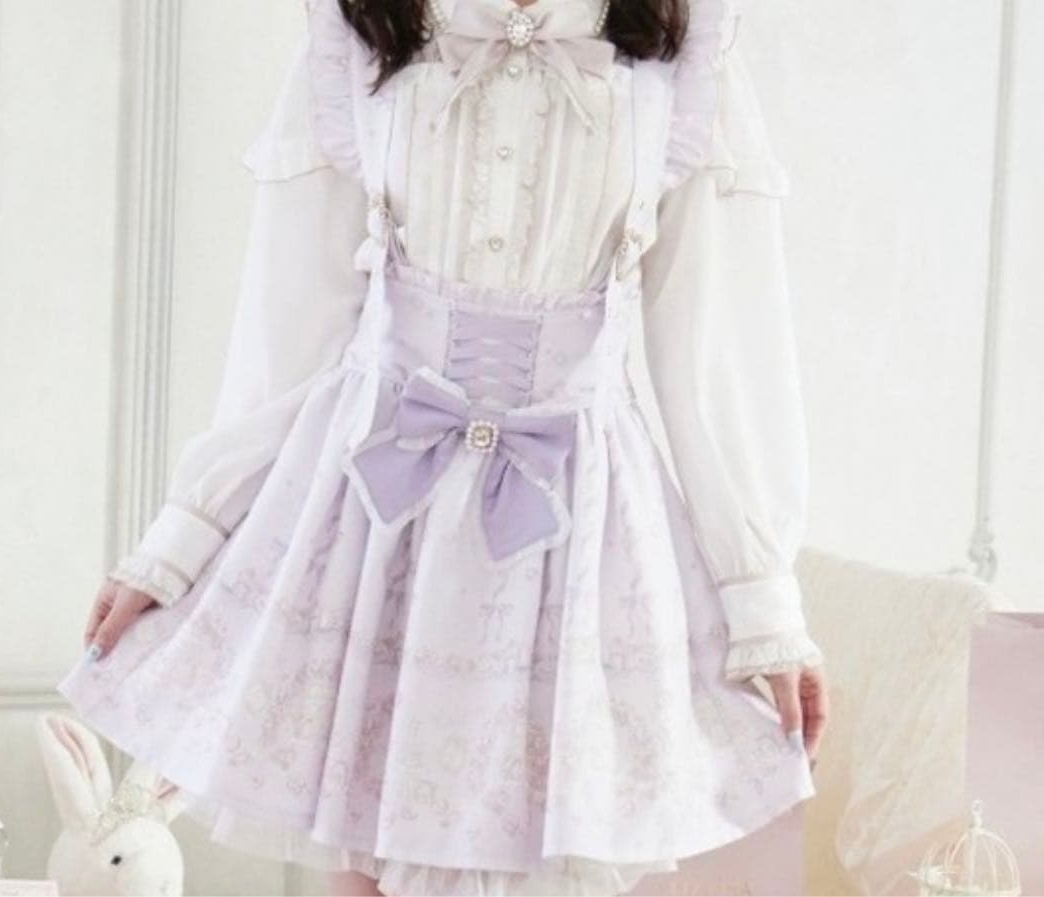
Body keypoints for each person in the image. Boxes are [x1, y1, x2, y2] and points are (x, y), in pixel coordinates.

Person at [57, 0, 829, 894]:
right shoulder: (362, 35)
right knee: (365, 857)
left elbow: (713, 356)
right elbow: (290, 328)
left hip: (573, 530)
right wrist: (182, 539)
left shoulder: (683, 63)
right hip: (376, 518)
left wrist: (765, 607)